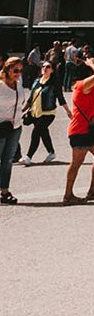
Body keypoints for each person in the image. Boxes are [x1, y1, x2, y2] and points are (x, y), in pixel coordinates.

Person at [62, 47, 94, 204]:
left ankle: (93, 190)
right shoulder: (82, 86)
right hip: (80, 130)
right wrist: (91, 63)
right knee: (77, 163)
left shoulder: (91, 86)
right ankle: (68, 195)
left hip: (92, 130)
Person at [23, 59, 63, 164]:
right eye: (43, 66)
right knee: (44, 133)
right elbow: (31, 98)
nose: (45, 68)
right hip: (35, 112)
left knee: (36, 132)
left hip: (48, 113)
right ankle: (51, 152)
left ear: (52, 70)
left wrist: (68, 111)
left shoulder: (54, 83)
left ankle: (28, 157)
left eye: (48, 67)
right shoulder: (37, 81)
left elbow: (61, 98)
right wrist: (22, 110)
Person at [1, 56, 22, 205]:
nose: (18, 73)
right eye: (15, 70)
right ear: (7, 69)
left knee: (8, 160)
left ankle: (4, 191)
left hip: (15, 127)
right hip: (0, 127)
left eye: (20, 71)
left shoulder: (19, 84)